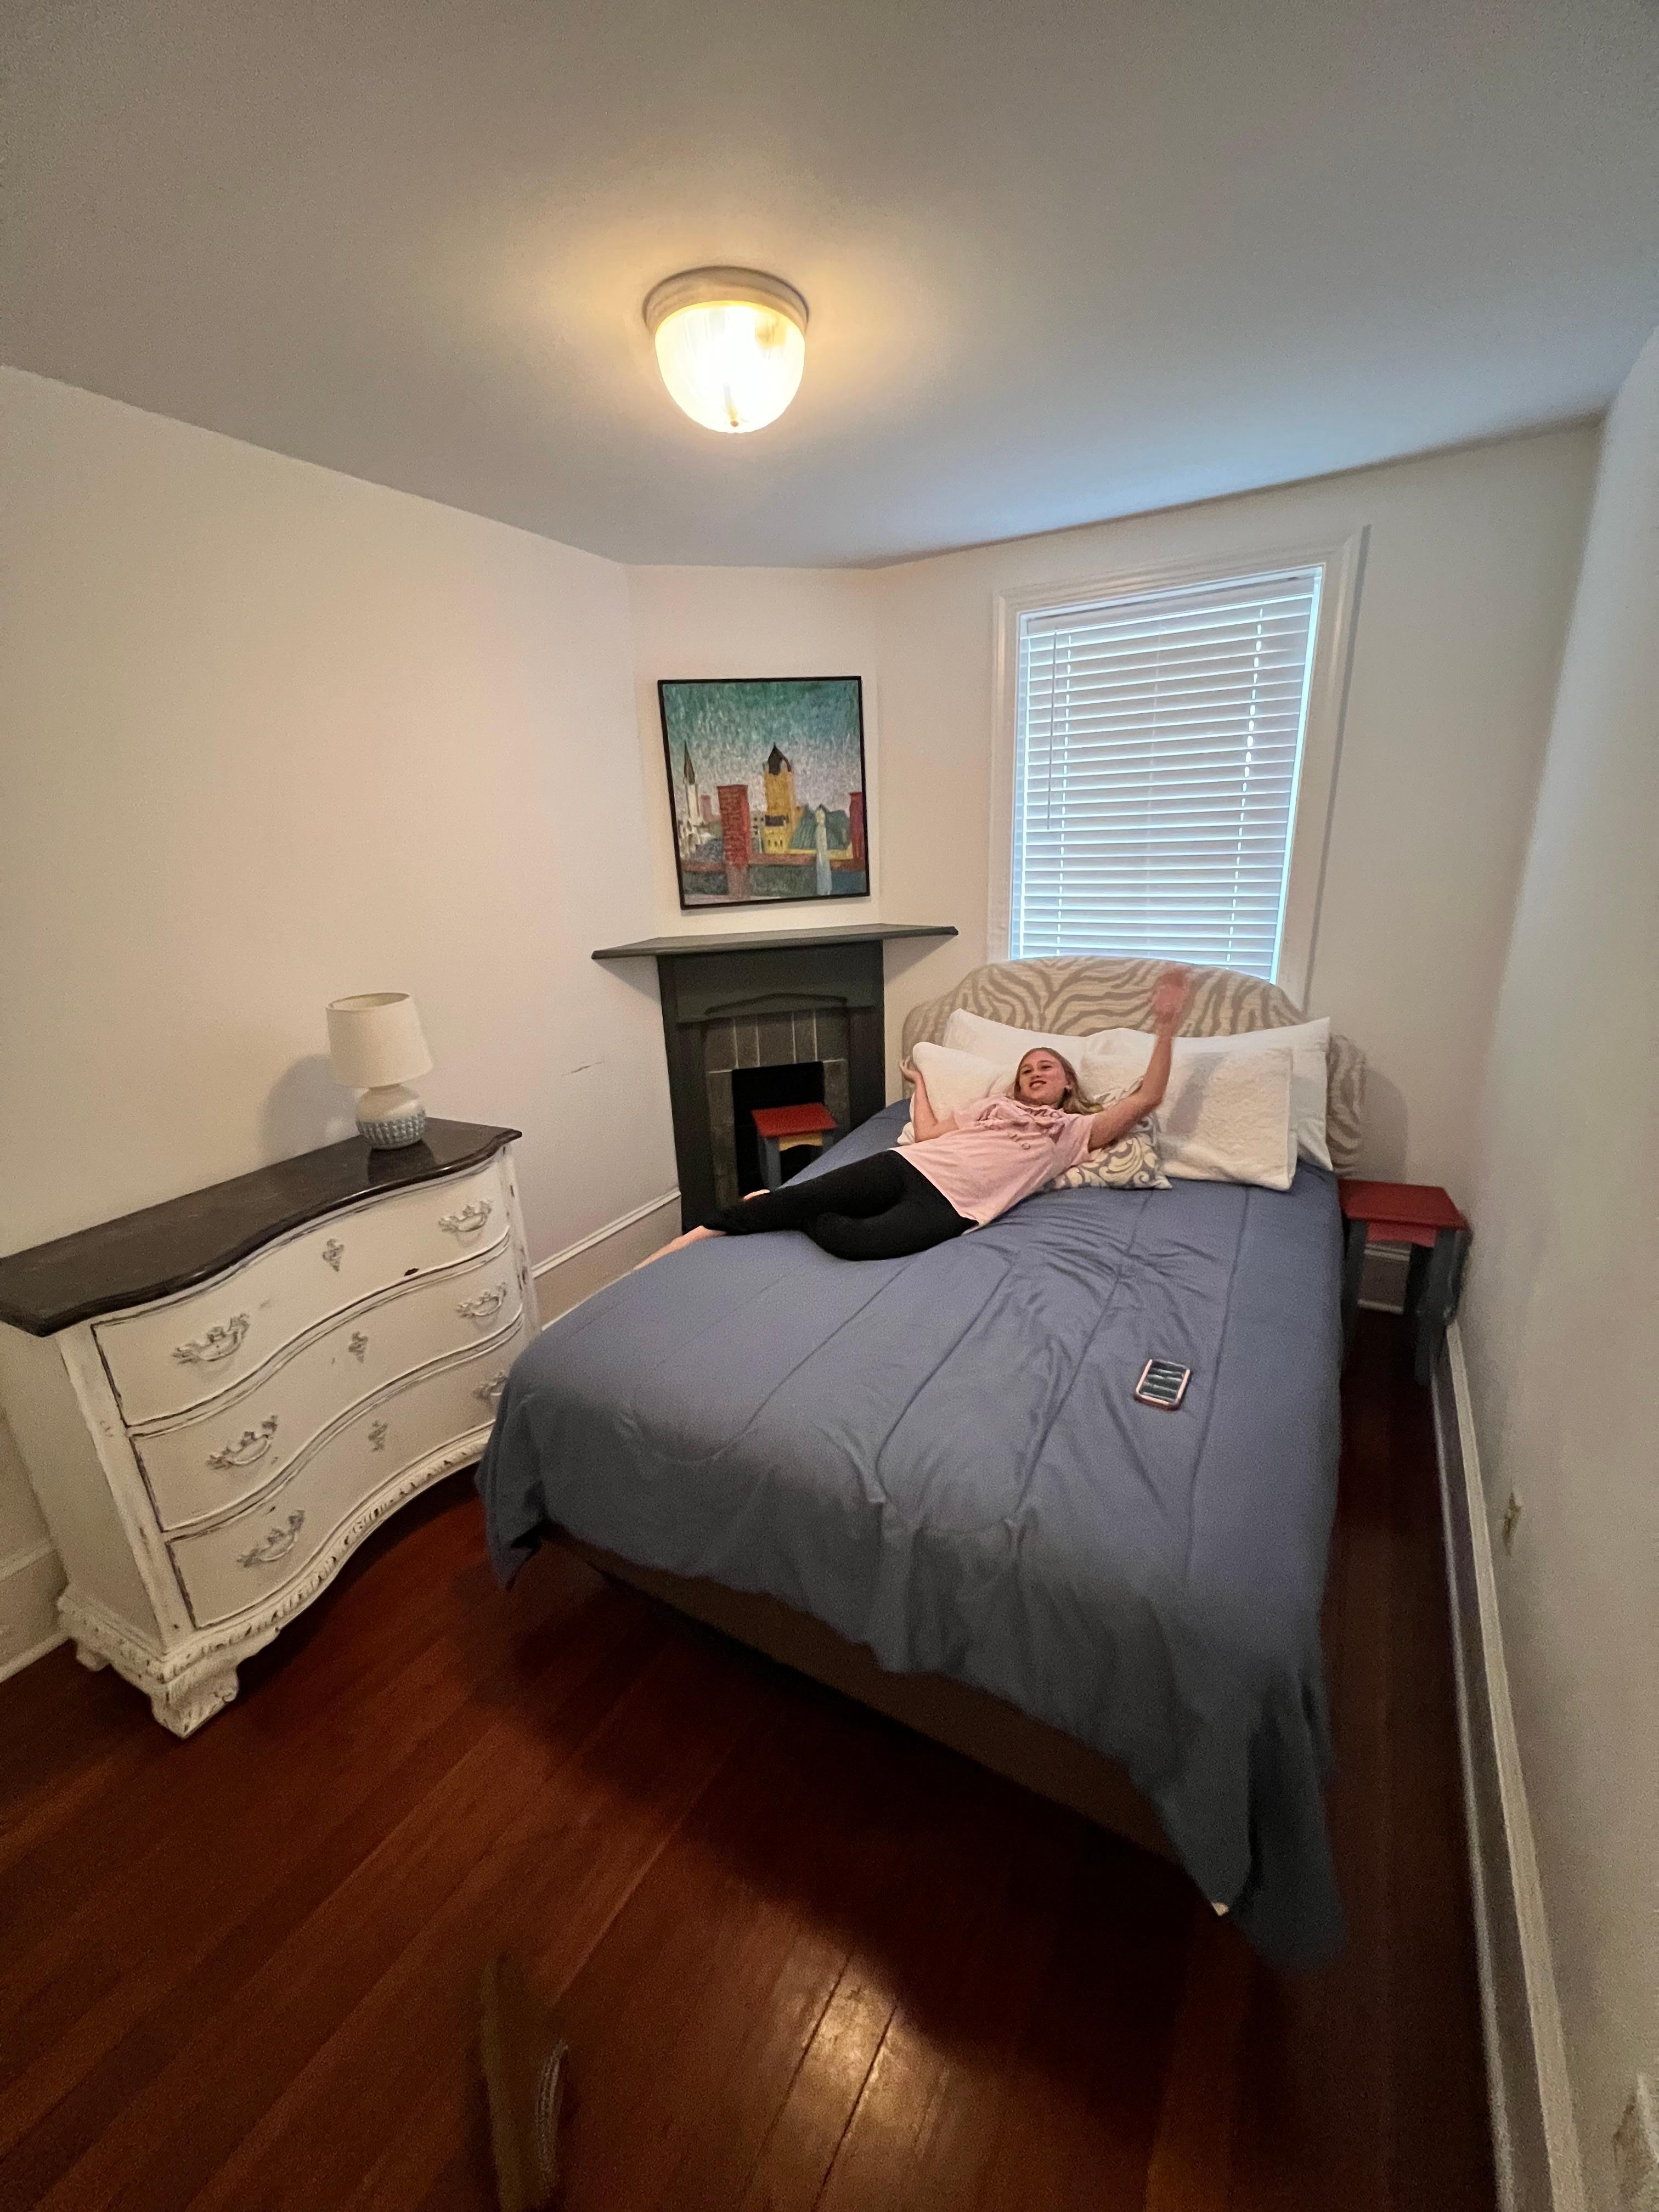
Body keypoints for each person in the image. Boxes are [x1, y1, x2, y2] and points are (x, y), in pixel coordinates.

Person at [648, 965, 1193, 1265]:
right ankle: (697, 1236)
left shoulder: (1076, 1132)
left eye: (1047, 1067)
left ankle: (782, 1208)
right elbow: (928, 1134)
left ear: (1069, 1082)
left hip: (955, 1209)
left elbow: (1147, 1098)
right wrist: (922, 1083)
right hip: (910, 1165)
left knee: (854, 1242)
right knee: (804, 1193)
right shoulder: (992, 1105)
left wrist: (1166, 1025)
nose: (1035, 1072)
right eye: (1027, 1068)